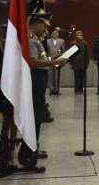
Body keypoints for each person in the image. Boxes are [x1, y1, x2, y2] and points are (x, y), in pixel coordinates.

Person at [27, 10, 68, 160]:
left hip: (39, 79)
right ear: (37, 24)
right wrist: (54, 62)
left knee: (37, 114)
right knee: (34, 115)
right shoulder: (30, 39)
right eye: (44, 26)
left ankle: (34, 146)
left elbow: (42, 58)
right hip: (35, 78)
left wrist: (56, 57)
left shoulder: (35, 38)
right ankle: (31, 148)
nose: (45, 30)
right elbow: (33, 62)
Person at [46, 29, 65, 95]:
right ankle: (51, 90)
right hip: (50, 60)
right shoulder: (47, 41)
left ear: (58, 34)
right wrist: (48, 58)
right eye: (53, 33)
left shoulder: (61, 41)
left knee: (57, 75)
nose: (55, 34)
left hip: (58, 60)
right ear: (51, 34)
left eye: (56, 33)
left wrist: (62, 59)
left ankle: (57, 90)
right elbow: (46, 51)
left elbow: (63, 51)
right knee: (50, 75)